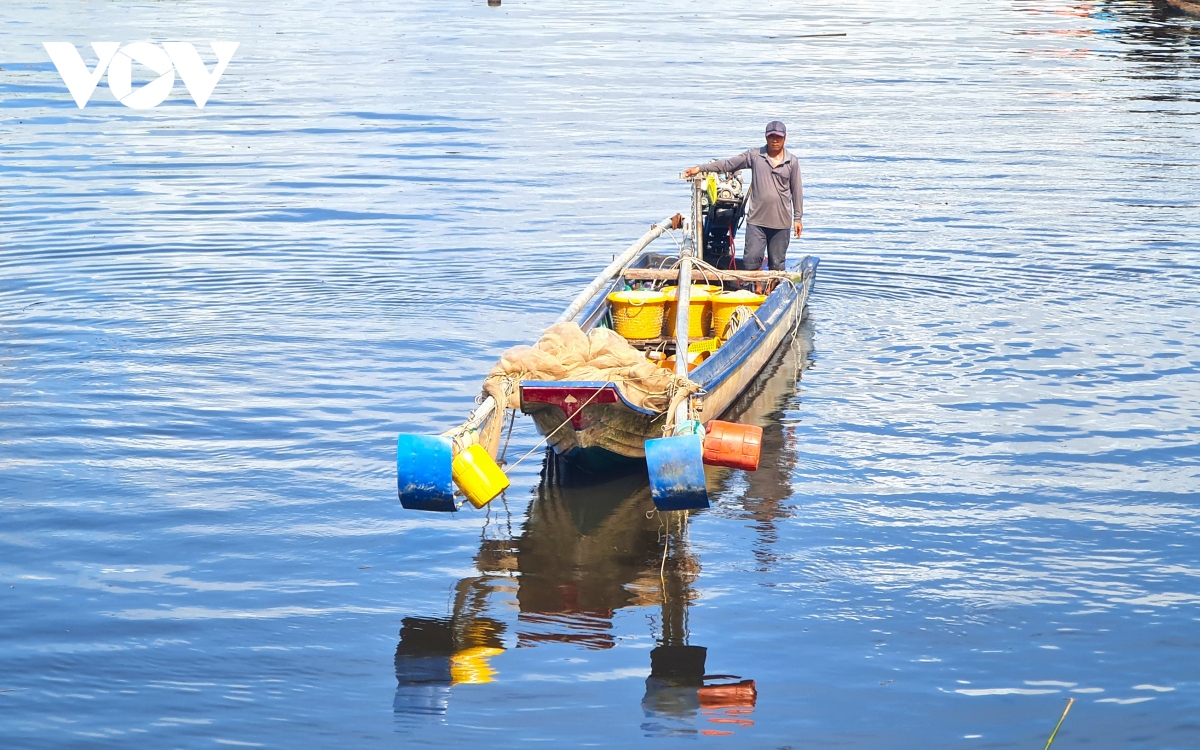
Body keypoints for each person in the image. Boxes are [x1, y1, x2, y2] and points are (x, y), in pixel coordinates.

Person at [682, 121, 803, 271]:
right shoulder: (755, 156)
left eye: (778, 137)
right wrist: (700, 168)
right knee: (750, 261)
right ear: (766, 138)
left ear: (785, 138)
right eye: (771, 136)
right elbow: (728, 164)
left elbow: (797, 190)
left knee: (777, 265)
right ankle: (756, 288)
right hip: (757, 221)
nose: (775, 140)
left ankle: (772, 289)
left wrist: (798, 218)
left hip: (781, 222)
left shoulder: (792, 162)